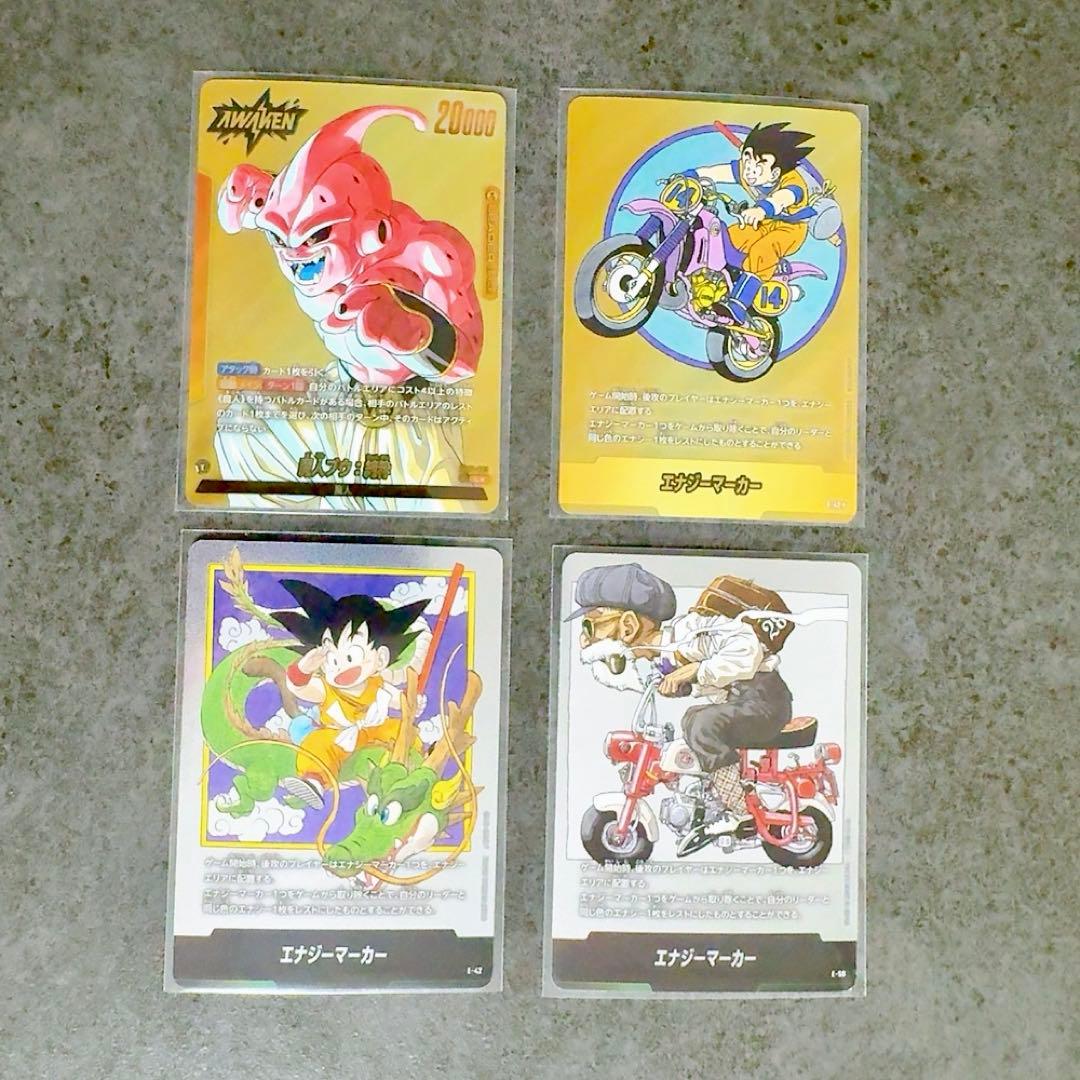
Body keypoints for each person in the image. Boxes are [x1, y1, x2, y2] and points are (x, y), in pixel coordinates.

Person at [567, 562, 792, 824]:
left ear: (628, 626)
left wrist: (696, 670)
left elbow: (746, 651)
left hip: (765, 702)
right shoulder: (668, 656)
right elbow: (708, 682)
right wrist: (686, 685)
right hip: (742, 702)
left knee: (702, 724)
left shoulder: (692, 631)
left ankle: (740, 809)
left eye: (590, 627)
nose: (584, 640)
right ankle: (709, 797)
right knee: (691, 720)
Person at [271, 579, 430, 809]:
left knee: (401, 730)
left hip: (374, 732)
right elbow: (298, 687)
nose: (340, 667)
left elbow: (401, 703)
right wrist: (304, 668)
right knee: (316, 742)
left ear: (381, 659)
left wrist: (412, 704)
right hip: (337, 737)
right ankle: (314, 781)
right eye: (332, 660)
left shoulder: (378, 686)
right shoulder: (326, 688)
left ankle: (418, 761)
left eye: (349, 657)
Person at [683, 122, 817, 325]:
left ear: (775, 173)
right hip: (761, 222)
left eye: (758, 166)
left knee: (764, 249)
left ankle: (739, 304)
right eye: (747, 159)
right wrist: (690, 176)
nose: (749, 170)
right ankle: (721, 276)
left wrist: (762, 209)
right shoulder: (745, 171)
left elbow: (783, 198)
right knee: (731, 235)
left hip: (790, 228)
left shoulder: (793, 183)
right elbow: (717, 172)